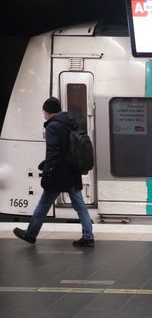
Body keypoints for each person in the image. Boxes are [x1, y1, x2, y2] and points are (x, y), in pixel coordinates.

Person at [13, 97, 94, 247]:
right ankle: (88, 236)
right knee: (80, 205)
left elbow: (53, 152)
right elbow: (67, 147)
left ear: (48, 111)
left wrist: (47, 171)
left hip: (58, 173)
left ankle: (31, 234)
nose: (43, 113)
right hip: (73, 170)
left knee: (44, 203)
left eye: (44, 111)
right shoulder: (71, 121)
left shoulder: (52, 127)